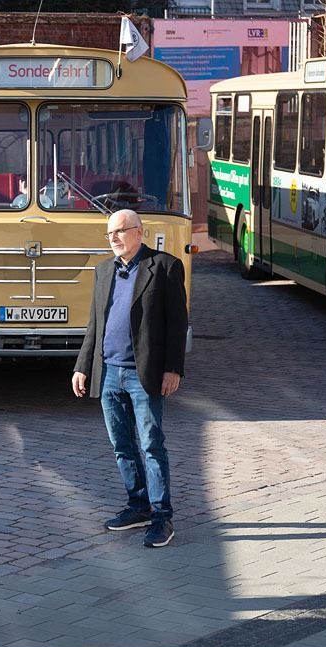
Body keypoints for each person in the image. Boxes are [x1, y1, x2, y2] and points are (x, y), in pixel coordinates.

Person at [71, 209, 188, 548]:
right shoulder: (103, 270)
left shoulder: (164, 267)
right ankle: (138, 506)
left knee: (151, 444)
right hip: (109, 372)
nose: (114, 238)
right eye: (110, 233)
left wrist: (173, 368)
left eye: (121, 231)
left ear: (140, 232)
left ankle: (162, 517)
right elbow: (95, 323)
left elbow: (177, 323)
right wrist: (82, 365)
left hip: (143, 374)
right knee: (121, 445)